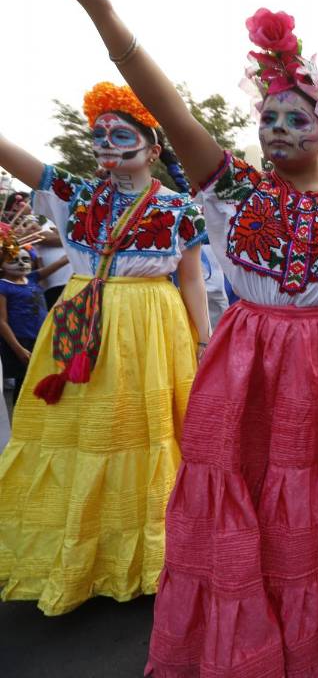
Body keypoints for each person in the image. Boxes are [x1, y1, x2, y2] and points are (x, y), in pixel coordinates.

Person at [25, 0, 318, 673]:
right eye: (267, 117)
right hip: (254, 360)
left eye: (296, 117)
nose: (276, 127)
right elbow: (164, 102)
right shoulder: (233, 191)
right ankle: (274, 618)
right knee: (263, 489)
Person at [0, 79, 210, 615]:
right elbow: (24, 163)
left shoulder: (180, 209)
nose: (107, 143)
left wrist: (204, 341)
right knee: (82, 438)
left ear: (153, 148)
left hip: (151, 332)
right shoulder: (74, 193)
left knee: (146, 435)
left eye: (121, 134)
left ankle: (150, 555)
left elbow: (191, 282)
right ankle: (78, 550)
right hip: (79, 325)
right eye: (100, 135)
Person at [0, 228, 65, 402]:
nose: (21, 263)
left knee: (42, 378)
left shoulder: (33, 278)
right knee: (23, 384)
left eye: (25, 259)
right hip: (20, 341)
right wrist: (18, 348)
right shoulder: (3, 286)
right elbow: (2, 321)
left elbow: (62, 262)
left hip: (40, 338)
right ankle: (21, 420)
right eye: (14, 260)